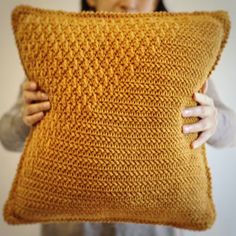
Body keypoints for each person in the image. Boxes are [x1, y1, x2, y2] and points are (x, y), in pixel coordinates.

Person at [1, 0, 236, 235]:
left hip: (155, 229)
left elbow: (232, 132)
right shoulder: (57, 53)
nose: (128, 2)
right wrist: (27, 115)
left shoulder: (182, 55)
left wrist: (214, 122)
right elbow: (6, 137)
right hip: (73, 230)